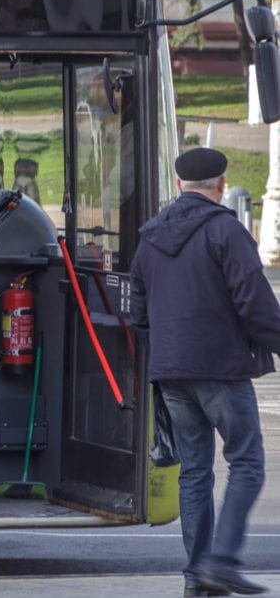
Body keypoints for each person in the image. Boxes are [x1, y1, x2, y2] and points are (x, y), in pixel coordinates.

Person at [129, 147, 280, 597]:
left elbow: (138, 314)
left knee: (195, 472)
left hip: (171, 373)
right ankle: (223, 562)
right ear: (221, 184)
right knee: (247, 464)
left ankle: (197, 576)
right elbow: (255, 305)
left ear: (178, 186)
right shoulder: (226, 232)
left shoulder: (149, 237)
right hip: (221, 368)